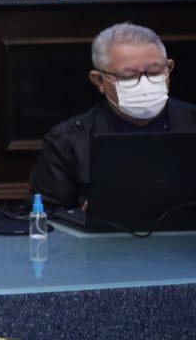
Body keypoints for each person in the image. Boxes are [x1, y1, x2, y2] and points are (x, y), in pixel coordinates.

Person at [30, 23, 196, 210]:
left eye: (155, 72)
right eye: (128, 76)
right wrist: (80, 217)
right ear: (99, 80)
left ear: (169, 69)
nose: (144, 83)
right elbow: (45, 219)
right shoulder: (68, 143)